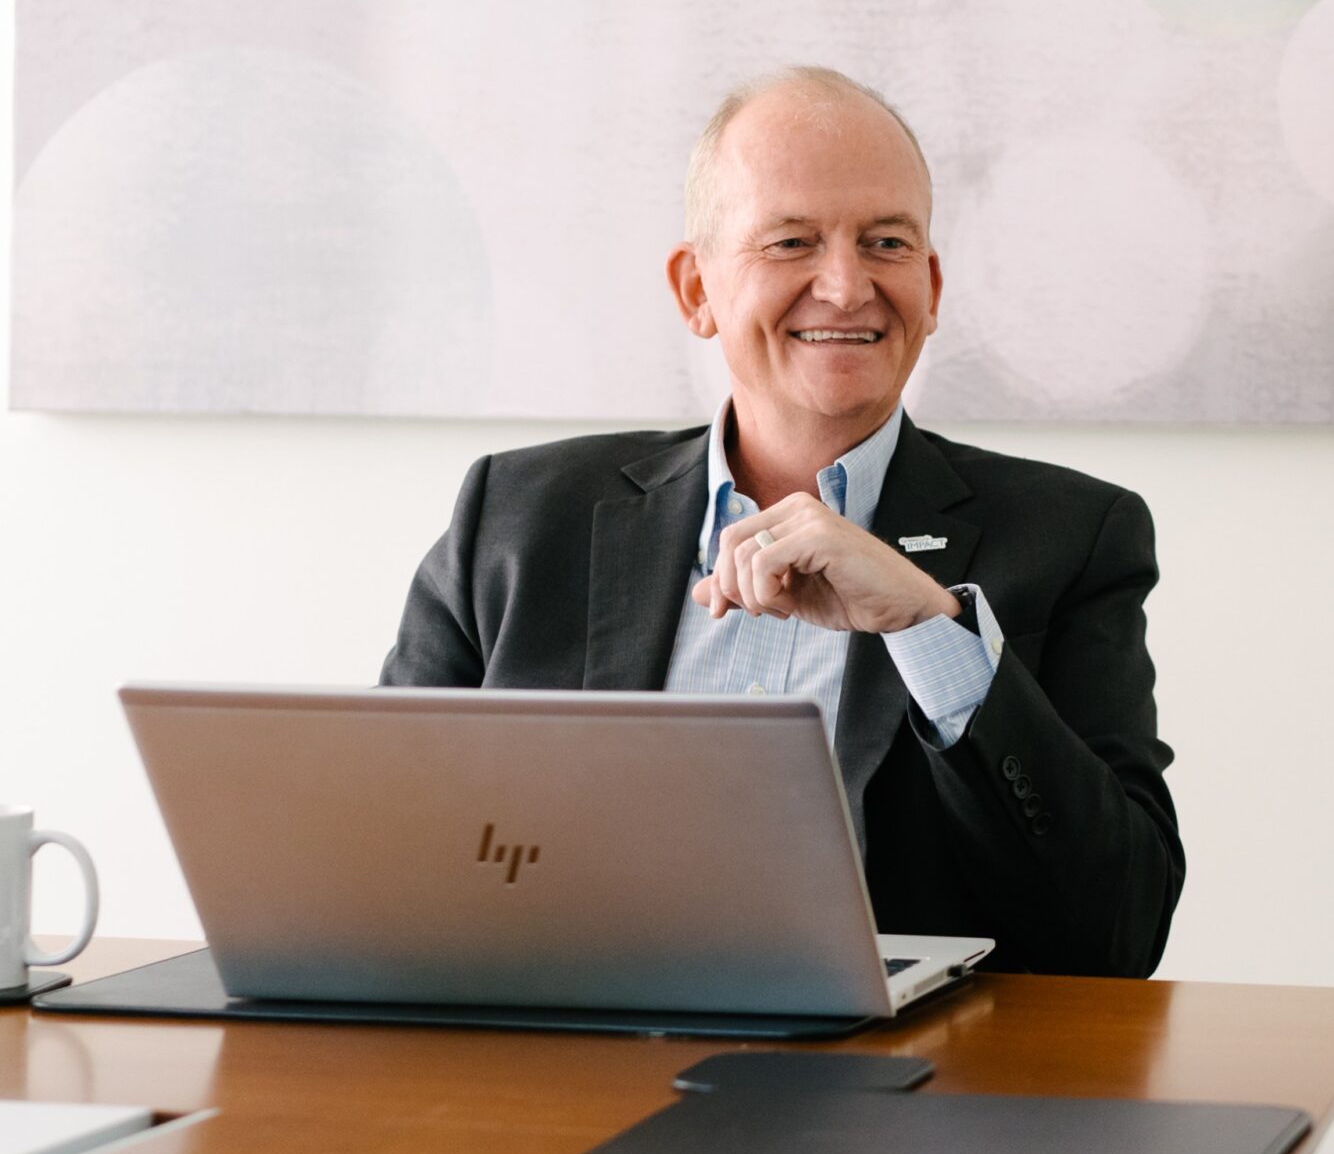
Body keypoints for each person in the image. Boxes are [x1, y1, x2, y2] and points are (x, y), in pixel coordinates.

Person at [382, 67, 1183, 975]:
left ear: (931, 285)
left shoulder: (1074, 536)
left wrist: (930, 632)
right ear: (696, 290)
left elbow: (1120, 933)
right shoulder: (519, 518)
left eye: (885, 242)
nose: (845, 287)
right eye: (792, 241)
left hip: (896, 1093)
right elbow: (374, 856)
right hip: (556, 1067)